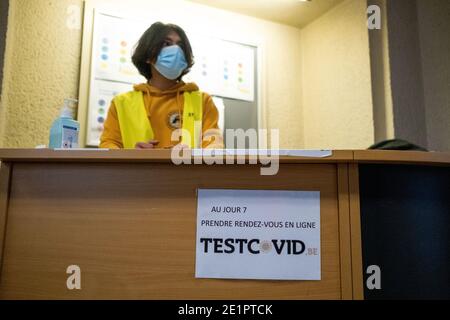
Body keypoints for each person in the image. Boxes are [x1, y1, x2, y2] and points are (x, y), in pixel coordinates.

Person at [100, 22, 223, 149]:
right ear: (148, 55)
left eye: (180, 46)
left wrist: (191, 156)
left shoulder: (203, 101)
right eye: (166, 44)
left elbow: (215, 145)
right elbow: (108, 145)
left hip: (188, 169)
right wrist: (132, 155)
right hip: (139, 169)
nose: (176, 51)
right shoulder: (121, 104)